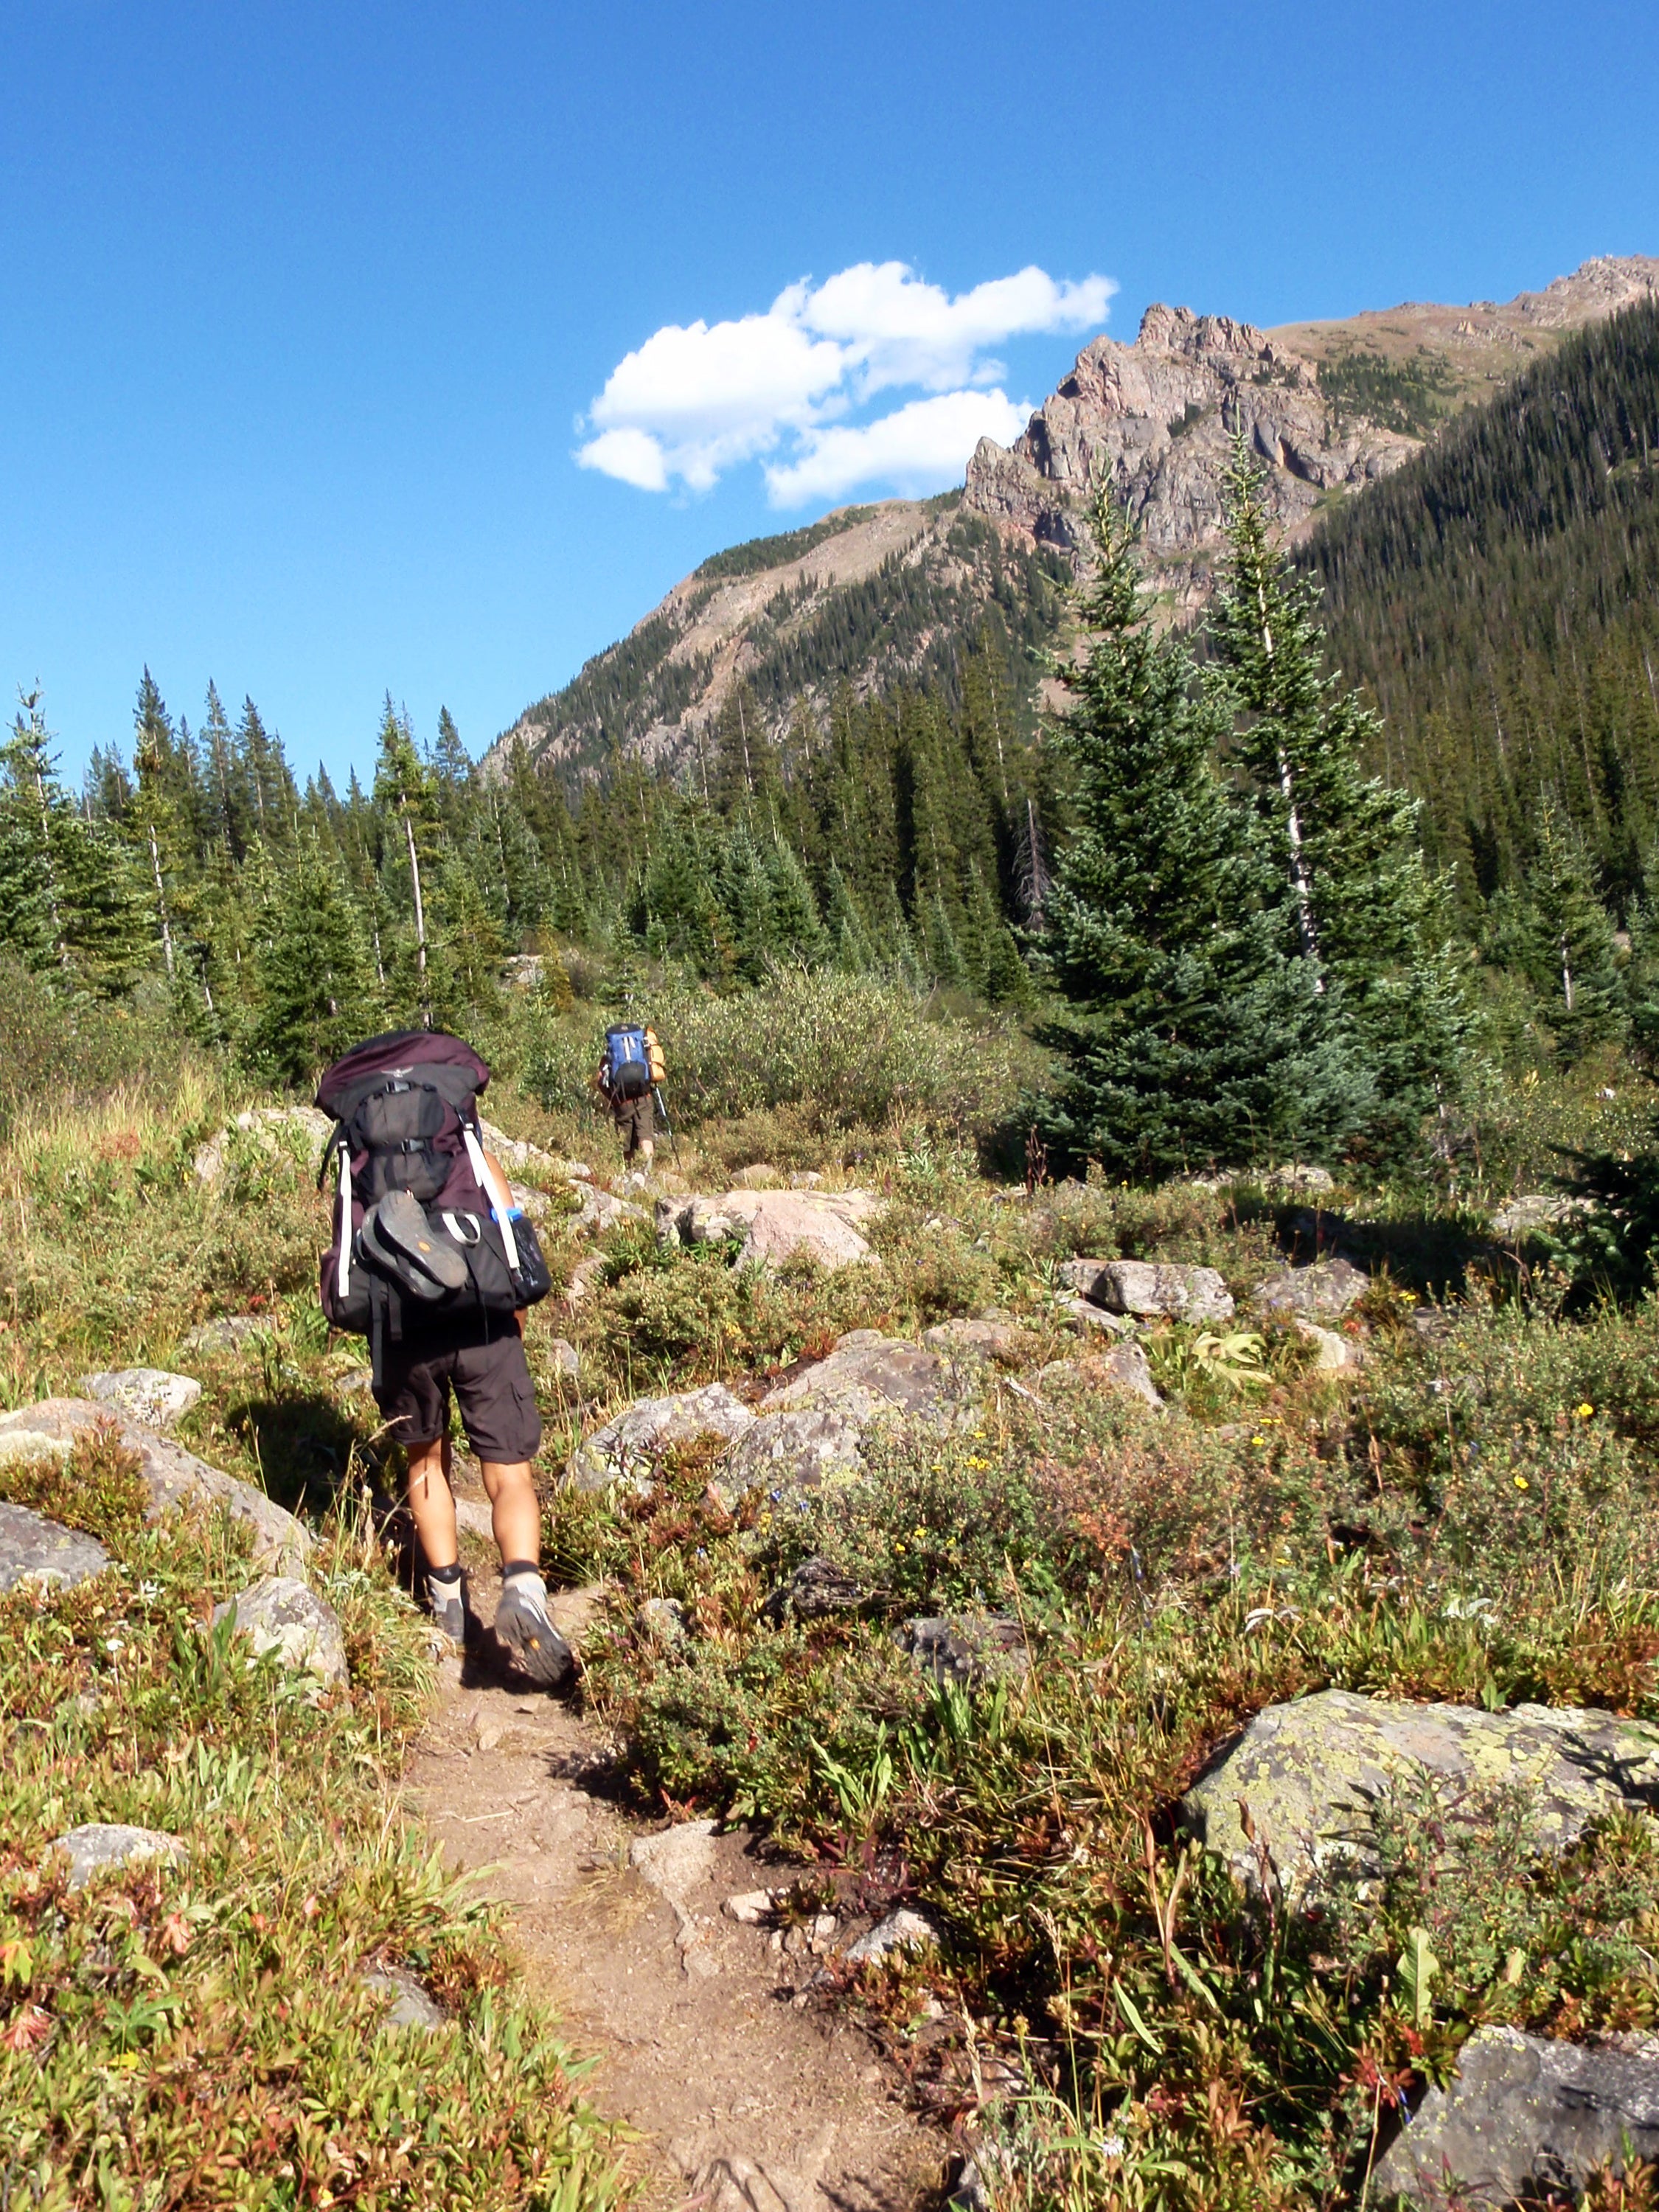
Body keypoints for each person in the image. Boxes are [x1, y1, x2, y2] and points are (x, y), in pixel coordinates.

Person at [375, 1135, 571, 1686]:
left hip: (406, 1332)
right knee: (509, 1473)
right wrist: (515, 1332)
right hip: (483, 1322)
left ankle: (448, 1606)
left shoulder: (369, 1166)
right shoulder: (474, 1157)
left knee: (425, 1462)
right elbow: (514, 1247)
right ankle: (523, 1586)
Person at [594, 1020, 664, 1167]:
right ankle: (648, 1172)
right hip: (643, 1097)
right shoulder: (641, 1048)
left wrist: (613, 1099)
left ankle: (629, 1173)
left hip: (622, 1102)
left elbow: (600, 1080)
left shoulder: (609, 1056)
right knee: (646, 1136)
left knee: (626, 1144)